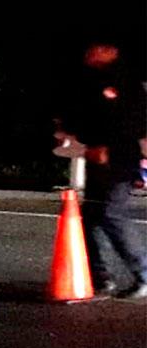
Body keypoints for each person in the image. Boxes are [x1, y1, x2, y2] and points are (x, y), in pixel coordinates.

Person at [61, 40, 147, 299]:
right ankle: (99, 277)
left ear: (111, 50)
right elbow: (86, 117)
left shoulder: (126, 81)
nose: (90, 54)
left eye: (96, 49)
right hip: (97, 158)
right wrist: (80, 137)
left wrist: (108, 146)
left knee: (112, 212)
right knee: (91, 216)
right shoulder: (92, 80)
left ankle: (143, 273)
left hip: (120, 159)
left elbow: (135, 122)